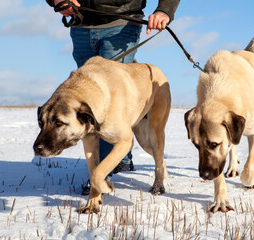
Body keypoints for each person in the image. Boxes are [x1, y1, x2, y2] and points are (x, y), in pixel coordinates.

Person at [46, 0, 180, 194]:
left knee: (108, 112)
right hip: (81, 23)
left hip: (122, 23)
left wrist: (164, 10)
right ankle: (121, 157)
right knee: (88, 106)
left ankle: (101, 179)